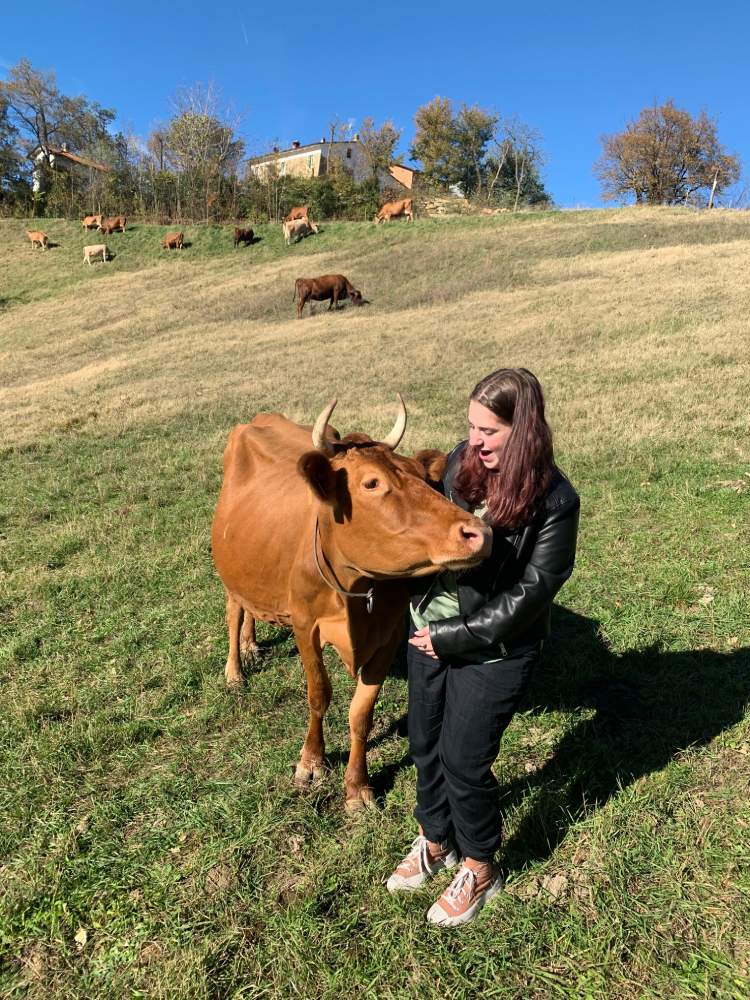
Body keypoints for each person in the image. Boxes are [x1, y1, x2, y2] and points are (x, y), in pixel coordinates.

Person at [386, 368, 580, 927]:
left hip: (495, 648)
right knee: (425, 743)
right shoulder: (457, 464)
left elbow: (532, 594)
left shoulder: (555, 502)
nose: (475, 441)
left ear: (524, 432)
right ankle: (435, 838)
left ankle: (479, 865)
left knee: (464, 759)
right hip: (428, 631)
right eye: (471, 426)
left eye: (490, 431)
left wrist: (452, 635)